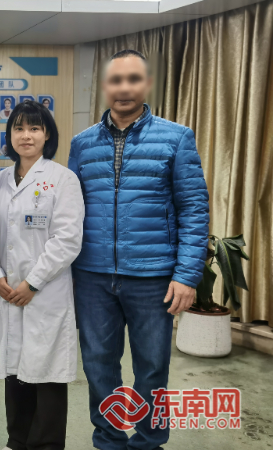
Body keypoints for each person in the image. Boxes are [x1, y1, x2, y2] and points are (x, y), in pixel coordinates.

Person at [68, 49, 209, 450]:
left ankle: (149, 441)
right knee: (98, 366)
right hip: (93, 275)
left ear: (147, 84)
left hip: (153, 277)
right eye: (116, 80)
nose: (124, 88)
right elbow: (68, 210)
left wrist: (186, 275)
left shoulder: (176, 137)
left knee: (152, 368)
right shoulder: (82, 143)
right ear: (105, 86)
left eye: (133, 79)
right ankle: (109, 440)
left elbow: (194, 208)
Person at [0, 100, 84, 450]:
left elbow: (67, 240)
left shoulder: (63, 179)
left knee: (47, 374)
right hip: (6, 291)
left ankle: (46, 445)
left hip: (45, 293)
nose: (26, 135)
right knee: (15, 372)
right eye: (19, 128)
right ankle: (17, 440)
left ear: (47, 135)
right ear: (10, 135)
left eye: (34, 128)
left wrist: (33, 283)